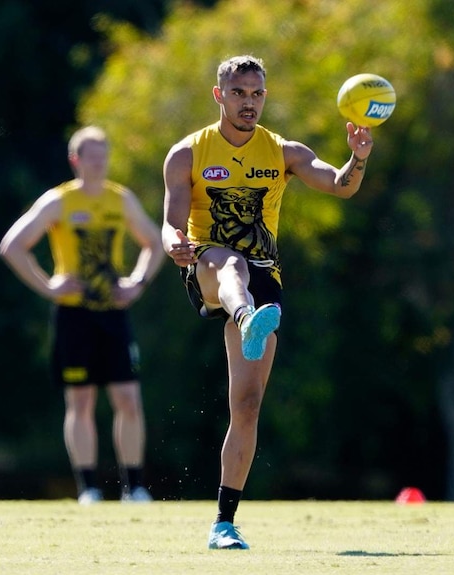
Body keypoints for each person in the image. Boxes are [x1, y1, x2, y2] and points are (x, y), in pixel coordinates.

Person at [162, 55, 373, 549]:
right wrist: (173, 241)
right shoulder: (187, 153)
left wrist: (358, 156)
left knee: (248, 405)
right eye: (239, 93)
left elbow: (339, 185)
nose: (249, 102)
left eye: (257, 94)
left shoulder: (284, 152)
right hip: (207, 265)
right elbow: (171, 220)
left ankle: (223, 523)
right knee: (231, 265)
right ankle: (246, 316)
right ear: (219, 95)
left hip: (265, 281)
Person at [0, 126, 164, 505]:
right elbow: (13, 246)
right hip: (74, 316)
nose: (99, 161)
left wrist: (136, 283)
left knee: (128, 397)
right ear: (75, 160)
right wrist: (48, 286)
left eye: (104, 154)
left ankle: (133, 487)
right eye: (91, 155)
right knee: (81, 401)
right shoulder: (59, 201)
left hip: (113, 314)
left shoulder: (120, 200)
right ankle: (88, 487)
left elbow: (154, 244)